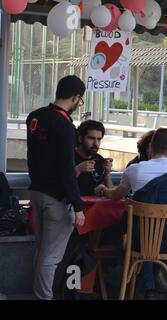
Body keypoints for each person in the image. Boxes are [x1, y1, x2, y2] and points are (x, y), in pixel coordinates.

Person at [94, 128, 167, 298]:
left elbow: (115, 195)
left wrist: (104, 190)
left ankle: (148, 288)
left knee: (145, 233)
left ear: (151, 147)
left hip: (139, 239)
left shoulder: (135, 170)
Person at [26, 75, 86, 300]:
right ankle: (43, 297)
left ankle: (38, 294)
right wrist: (78, 206)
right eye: (79, 100)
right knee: (50, 256)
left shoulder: (35, 117)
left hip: (36, 191)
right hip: (56, 199)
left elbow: (33, 156)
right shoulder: (65, 125)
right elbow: (66, 169)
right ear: (75, 97)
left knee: (41, 251)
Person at [74, 120, 113, 196]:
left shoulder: (99, 160)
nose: (96, 143)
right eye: (91, 138)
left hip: (94, 206)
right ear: (80, 139)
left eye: (99, 139)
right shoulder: (68, 157)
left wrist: (107, 173)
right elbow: (59, 188)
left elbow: (111, 193)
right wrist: (78, 170)